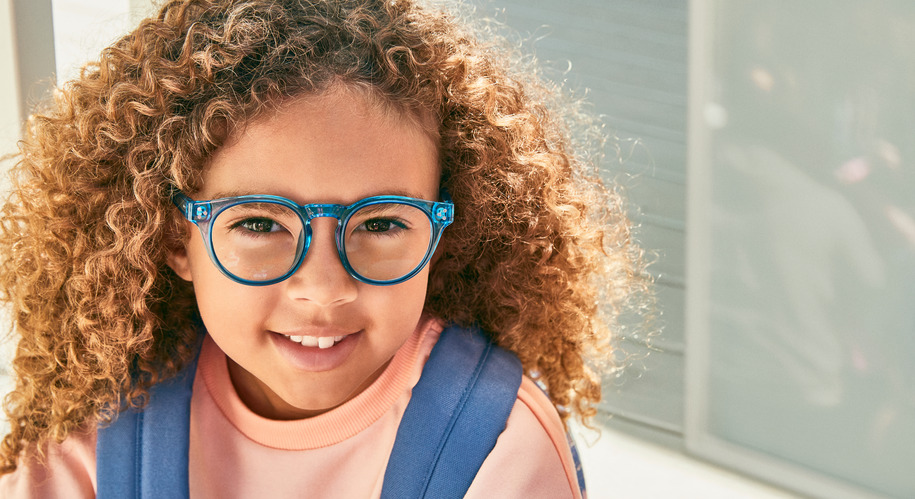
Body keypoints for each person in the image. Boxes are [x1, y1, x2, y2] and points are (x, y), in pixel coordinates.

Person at [0, 0, 650, 496]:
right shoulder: (94, 428)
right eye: (258, 224)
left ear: (445, 231)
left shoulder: (498, 451)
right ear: (175, 236)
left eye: (381, 224)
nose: (324, 288)